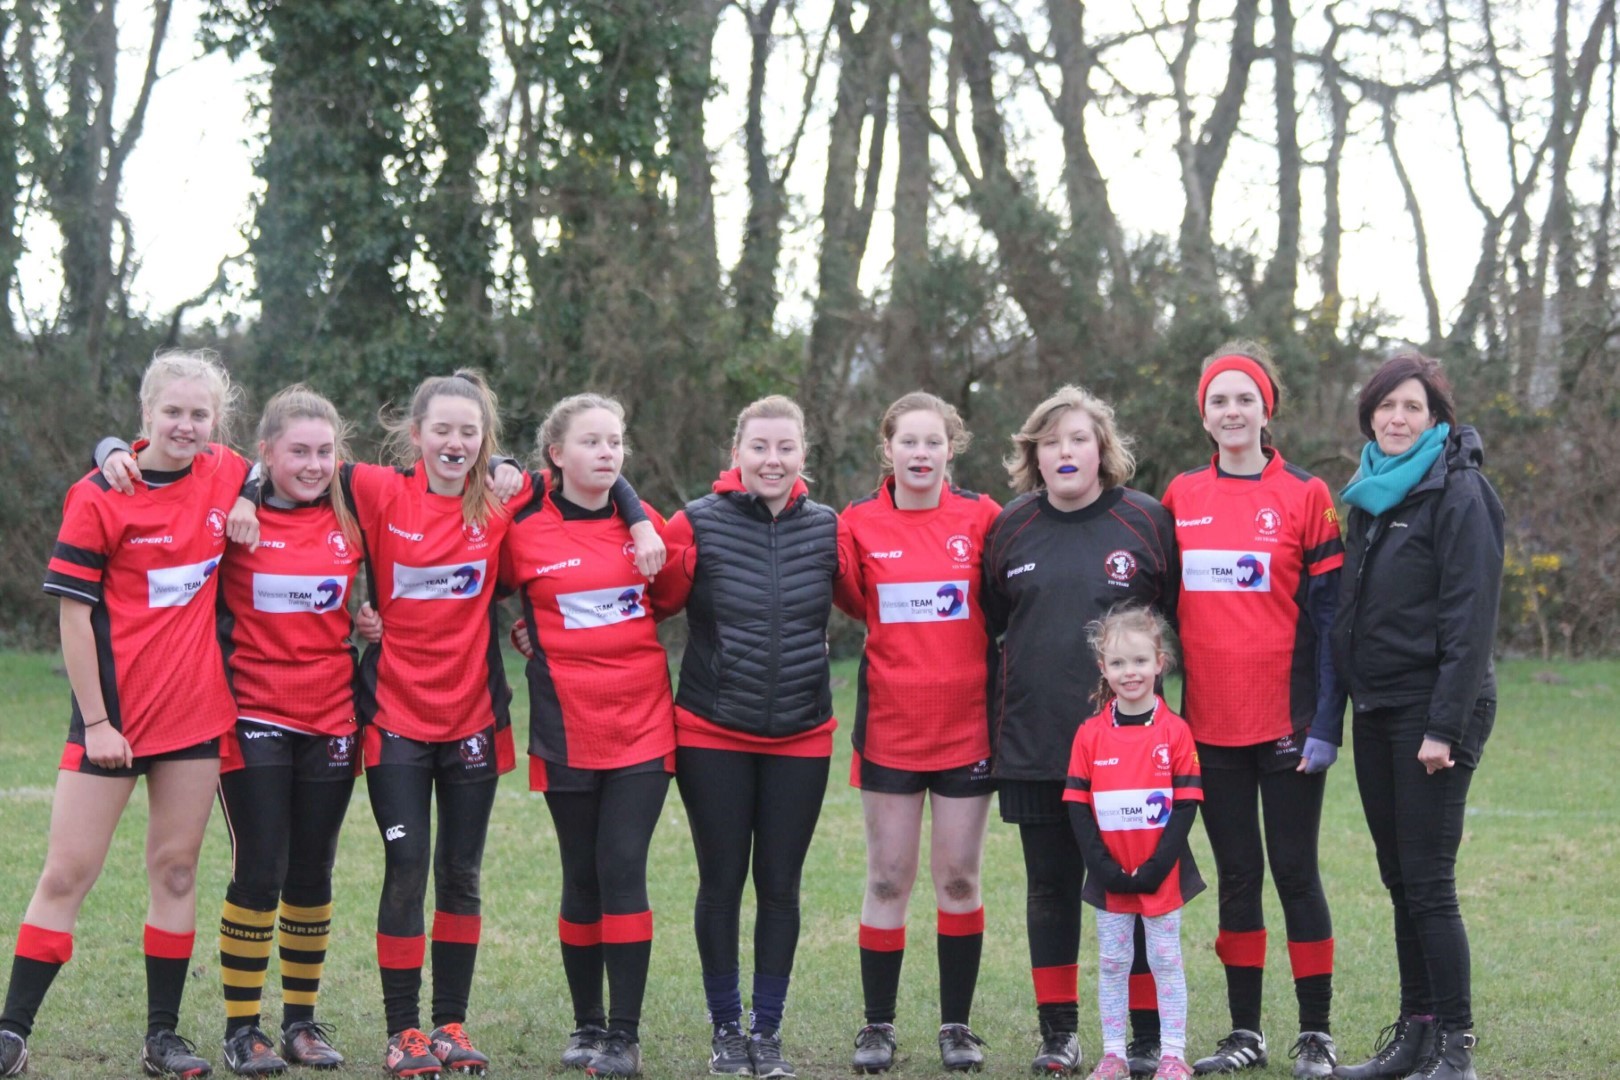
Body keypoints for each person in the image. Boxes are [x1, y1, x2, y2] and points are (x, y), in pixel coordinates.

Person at [341, 370, 661, 1079]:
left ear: (486, 439)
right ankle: (403, 1033)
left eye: (470, 430)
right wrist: (118, 450)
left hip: (474, 720)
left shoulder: (504, 499)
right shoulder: (377, 489)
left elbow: (596, 480)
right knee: (405, 870)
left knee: (461, 874)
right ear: (416, 434)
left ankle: (449, 1025)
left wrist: (639, 518)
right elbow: (286, 467)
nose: (455, 442)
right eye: (442, 429)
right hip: (394, 717)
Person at [0, 350, 250, 1080]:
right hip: (110, 721)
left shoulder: (226, 473)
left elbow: (279, 464)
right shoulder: (99, 494)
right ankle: (11, 1031)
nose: (185, 425)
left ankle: (162, 1039)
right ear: (146, 414)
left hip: (193, 717)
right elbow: (74, 618)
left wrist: (249, 498)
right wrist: (98, 722)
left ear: (216, 422)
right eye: (172, 411)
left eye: (199, 414)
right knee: (67, 873)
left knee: (175, 873)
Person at [649, 395, 853, 1080]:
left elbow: (877, 602)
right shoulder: (695, 521)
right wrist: (536, 628)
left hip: (803, 735)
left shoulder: (828, 528)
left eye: (785, 447)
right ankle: (726, 1030)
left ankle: (766, 1031)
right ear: (736, 454)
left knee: (781, 885)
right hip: (712, 732)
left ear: (803, 455)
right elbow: (644, 604)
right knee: (722, 881)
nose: (772, 459)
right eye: (759, 447)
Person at [1159, 344, 1345, 1078]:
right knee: (1238, 876)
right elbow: (1155, 611)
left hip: (1289, 725)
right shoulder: (1180, 495)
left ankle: (1316, 1033)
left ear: (1267, 410)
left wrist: (1326, 721)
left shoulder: (1306, 493)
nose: (1232, 411)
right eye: (1219, 400)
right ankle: (1245, 1033)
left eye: (1245, 399)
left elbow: (1331, 620)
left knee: (1296, 872)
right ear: (1203, 415)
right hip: (1209, 728)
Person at [983, 385, 1179, 1077]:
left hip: (1133, 755)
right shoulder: (1009, 527)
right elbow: (994, 622)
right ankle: (1058, 1034)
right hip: (1037, 744)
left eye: (1078, 439)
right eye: (1051, 442)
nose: (1065, 452)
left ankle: (1148, 1037)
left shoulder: (1147, 521)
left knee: (1138, 889)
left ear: (1102, 449)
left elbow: (1174, 624)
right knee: (1049, 889)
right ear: (1033, 455)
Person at [1329, 354, 1503, 1080]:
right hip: (1377, 707)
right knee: (1400, 879)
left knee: (1429, 883)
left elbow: (1471, 620)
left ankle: (1455, 1046)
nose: (1397, 418)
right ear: (1369, 415)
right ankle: (1416, 1033)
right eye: (1386, 406)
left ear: (1436, 419)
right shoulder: (1371, 495)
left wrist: (1443, 727)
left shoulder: (1460, 492)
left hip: (1434, 713)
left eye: (1412, 407)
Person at [499, 394, 675, 1078]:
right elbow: (480, 582)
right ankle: (587, 1025)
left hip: (643, 725)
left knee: (622, 865)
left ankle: (624, 1036)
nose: (607, 453)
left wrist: (636, 516)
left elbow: (671, 596)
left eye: (615, 442)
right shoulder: (522, 526)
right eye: (591, 442)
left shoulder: (644, 523)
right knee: (580, 874)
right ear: (556, 455)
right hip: (565, 728)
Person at [835, 393, 1001, 1074]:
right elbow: (853, 602)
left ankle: (957, 1027)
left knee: (958, 879)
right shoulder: (855, 524)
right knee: (887, 879)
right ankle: (878, 1026)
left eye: (934, 442)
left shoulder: (983, 517)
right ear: (888, 449)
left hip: (968, 730)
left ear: (951, 449)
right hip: (891, 731)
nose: (921, 454)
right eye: (909, 441)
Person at [207, 386, 365, 1075]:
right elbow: (165, 462)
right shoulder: (233, 513)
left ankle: (300, 1023)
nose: (313, 464)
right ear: (265, 453)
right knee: (259, 868)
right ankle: (243, 1030)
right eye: (298, 451)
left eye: (325, 451)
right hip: (253, 715)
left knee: (312, 870)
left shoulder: (352, 512)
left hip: (332, 717)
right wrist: (244, 490)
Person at [1065, 606, 1203, 1080]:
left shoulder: (1176, 732)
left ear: (1160, 663)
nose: (1131, 672)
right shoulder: (1089, 735)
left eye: (1141, 661)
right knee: (1112, 962)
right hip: (1110, 877)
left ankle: (1173, 1055)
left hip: (1160, 875)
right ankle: (1113, 1055)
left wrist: (1157, 867)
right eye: (1119, 663)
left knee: (1165, 959)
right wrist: (1102, 867)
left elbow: (1185, 807)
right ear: (1102, 668)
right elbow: (1078, 808)